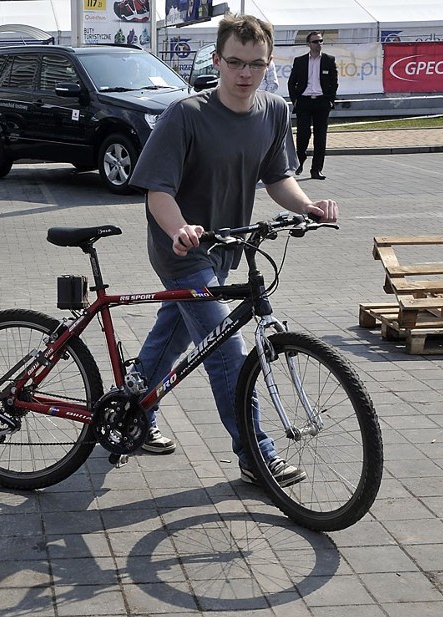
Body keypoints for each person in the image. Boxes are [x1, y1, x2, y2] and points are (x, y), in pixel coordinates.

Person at [129, 13, 338, 487]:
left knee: (178, 333)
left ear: (268, 65)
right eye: (236, 63)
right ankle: (255, 454)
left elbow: (277, 177)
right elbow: (157, 191)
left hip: (227, 246)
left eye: (256, 64)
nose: (245, 74)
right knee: (226, 346)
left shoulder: (273, 111)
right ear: (218, 60)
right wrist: (182, 230)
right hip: (180, 248)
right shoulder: (188, 114)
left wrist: (308, 206)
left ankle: (132, 410)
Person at [287, 31, 338, 180]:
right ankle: (300, 160)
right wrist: (295, 100)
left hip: (322, 102)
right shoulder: (300, 61)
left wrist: (330, 100)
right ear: (308, 44)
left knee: (320, 137)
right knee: (303, 135)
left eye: (321, 41)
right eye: (315, 41)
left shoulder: (329, 60)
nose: (318, 44)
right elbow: (292, 82)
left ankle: (316, 169)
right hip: (304, 101)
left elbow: (334, 82)